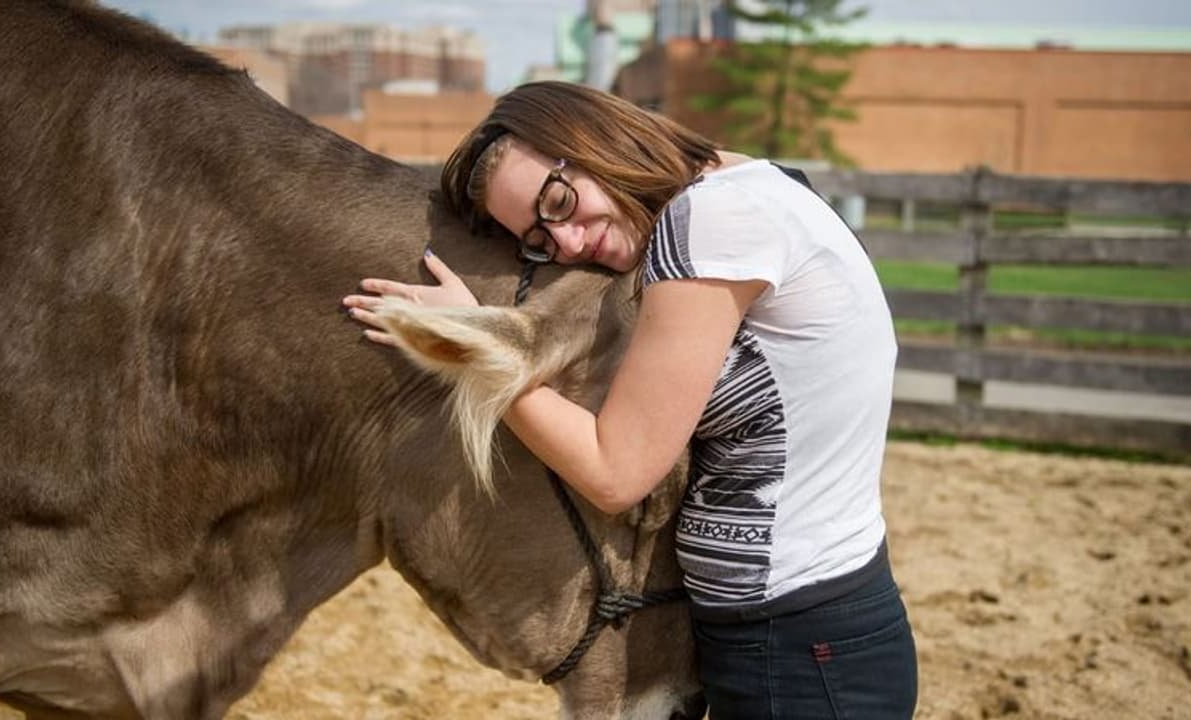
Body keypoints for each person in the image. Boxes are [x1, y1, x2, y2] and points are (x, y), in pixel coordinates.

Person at [343, 81, 918, 719]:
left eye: (557, 202)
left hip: (799, 646)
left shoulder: (708, 224)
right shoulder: (754, 189)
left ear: (590, 137)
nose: (566, 242)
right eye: (539, 239)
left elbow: (616, 472)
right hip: (803, 633)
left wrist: (474, 350)